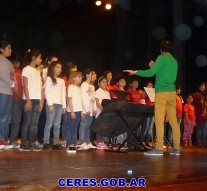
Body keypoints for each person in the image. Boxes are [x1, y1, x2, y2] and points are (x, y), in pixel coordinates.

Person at [124, 40, 180, 155]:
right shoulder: (174, 61)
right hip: (171, 93)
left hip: (162, 93)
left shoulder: (161, 57)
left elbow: (151, 73)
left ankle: (159, 148)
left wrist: (136, 72)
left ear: (161, 49)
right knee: (174, 121)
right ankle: (177, 148)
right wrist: (155, 66)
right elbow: (165, 73)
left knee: (159, 120)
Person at [20, 49, 44, 151]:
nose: (41, 59)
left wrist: (40, 101)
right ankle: (24, 143)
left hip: (37, 99)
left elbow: (39, 86)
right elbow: (25, 86)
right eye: (39, 57)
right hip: (28, 99)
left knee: (34, 123)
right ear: (34, 58)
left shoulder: (37, 71)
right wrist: (28, 101)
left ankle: (32, 142)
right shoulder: (26, 69)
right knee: (27, 121)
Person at [43, 61, 66, 150]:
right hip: (51, 104)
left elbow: (63, 93)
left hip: (59, 105)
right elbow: (47, 92)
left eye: (60, 67)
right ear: (52, 68)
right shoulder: (49, 78)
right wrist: (50, 104)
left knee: (57, 125)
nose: (59, 69)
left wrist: (64, 106)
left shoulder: (62, 81)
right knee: (49, 124)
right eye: (57, 67)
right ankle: (46, 142)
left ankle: (56, 143)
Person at [0, 40, 17, 149]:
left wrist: (16, 86)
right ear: (1, 49)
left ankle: (2, 139)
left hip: (8, 92)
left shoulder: (8, 62)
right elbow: (2, 75)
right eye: (8, 48)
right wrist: (12, 84)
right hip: (2, 91)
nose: (10, 50)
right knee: (1, 116)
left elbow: (12, 75)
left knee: (5, 117)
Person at [4, 58, 23, 148]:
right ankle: (4, 139)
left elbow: (22, 84)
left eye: (18, 62)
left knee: (17, 120)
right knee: (8, 120)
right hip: (11, 96)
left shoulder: (21, 71)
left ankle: (13, 140)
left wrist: (21, 95)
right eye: (15, 62)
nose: (17, 63)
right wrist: (16, 93)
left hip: (19, 99)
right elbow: (9, 83)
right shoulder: (10, 70)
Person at [78, 68, 97, 150]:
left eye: (93, 74)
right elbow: (83, 98)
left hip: (91, 110)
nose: (92, 76)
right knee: (83, 125)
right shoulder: (84, 85)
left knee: (88, 126)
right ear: (87, 75)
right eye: (91, 74)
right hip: (85, 110)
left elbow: (93, 98)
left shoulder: (92, 86)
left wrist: (94, 108)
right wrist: (86, 109)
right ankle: (82, 142)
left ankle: (87, 141)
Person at [66, 71, 83, 151]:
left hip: (78, 111)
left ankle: (74, 143)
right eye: (79, 77)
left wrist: (81, 112)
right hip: (72, 111)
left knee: (75, 128)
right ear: (73, 78)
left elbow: (80, 101)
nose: (81, 78)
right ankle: (69, 144)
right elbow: (69, 99)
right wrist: (72, 112)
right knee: (70, 128)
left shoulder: (79, 88)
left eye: (81, 77)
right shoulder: (71, 87)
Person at [61, 62, 77, 147]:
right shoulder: (65, 79)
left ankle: (71, 139)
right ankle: (64, 139)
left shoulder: (75, 81)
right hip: (66, 101)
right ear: (70, 69)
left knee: (71, 122)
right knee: (65, 121)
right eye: (74, 68)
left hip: (73, 103)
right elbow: (63, 92)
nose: (75, 70)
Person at [95, 76, 111, 150]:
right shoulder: (97, 92)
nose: (105, 83)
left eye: (106, 82)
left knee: (104, 128)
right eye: (103, 82)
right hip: (100, 112)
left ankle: (104, 142)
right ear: (99, 83)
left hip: (106, 113)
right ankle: (99, 142)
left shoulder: (107, 93)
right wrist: (103, 109)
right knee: (99, 128)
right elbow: (97, 103)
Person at [192, 82, 207, 147]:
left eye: (202, 86)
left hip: (205, 114)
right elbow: (193, 104)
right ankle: (199, 142)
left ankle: (204, 141)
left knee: (204, 128)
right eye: (200, 86)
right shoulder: (196, 94)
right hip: (198, 113)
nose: (201, 87)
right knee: (198, 128)